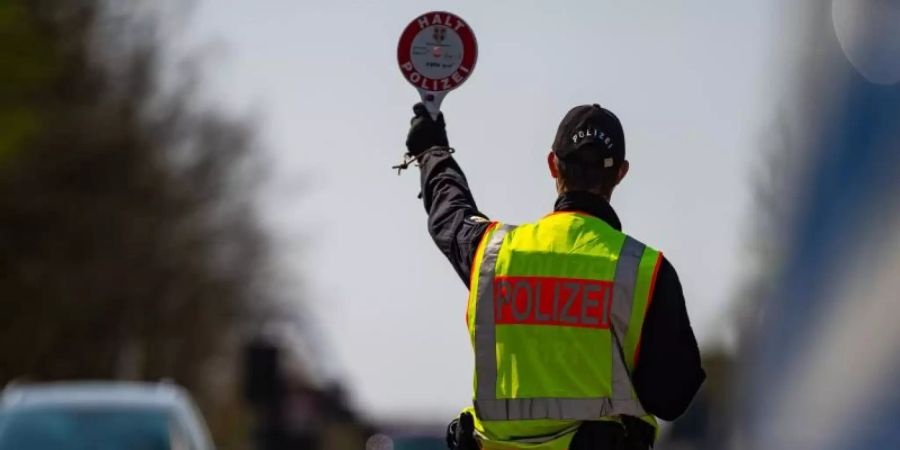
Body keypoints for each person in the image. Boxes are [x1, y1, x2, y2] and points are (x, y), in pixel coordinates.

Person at [404, 103, 705, 450]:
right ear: (620, 172)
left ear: (552, 165)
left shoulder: (492, 253)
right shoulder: (646, 271)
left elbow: (450, 214)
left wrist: (432, 153)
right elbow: (671, 398)